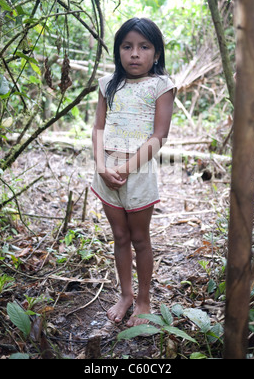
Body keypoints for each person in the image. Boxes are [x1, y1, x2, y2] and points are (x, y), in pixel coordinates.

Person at [91, 17, 176, 327]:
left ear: (156, 53)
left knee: (140, 238)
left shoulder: (161, 85)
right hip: (105, 173)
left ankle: (143, 300)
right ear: (118, 51)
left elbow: (159, 136)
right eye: (127, 47)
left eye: (144, 47)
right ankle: (125, 294)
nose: (135, 54)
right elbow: (98, 127)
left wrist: (123, 168)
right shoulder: (108, 84)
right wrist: (101, 166)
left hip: (138, 174)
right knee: (120, 235)